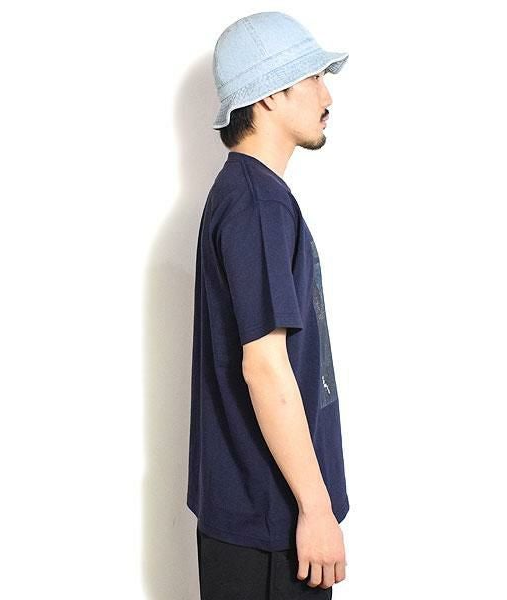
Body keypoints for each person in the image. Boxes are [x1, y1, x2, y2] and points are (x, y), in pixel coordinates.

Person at [186, 11, 350, 599]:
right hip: (273, 526)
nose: (327, 96)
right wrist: (316, 509)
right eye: (313, 78)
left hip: (259, 516)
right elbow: (264, 366)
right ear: (270, 94)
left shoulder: (246, 194)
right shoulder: (258, 206)